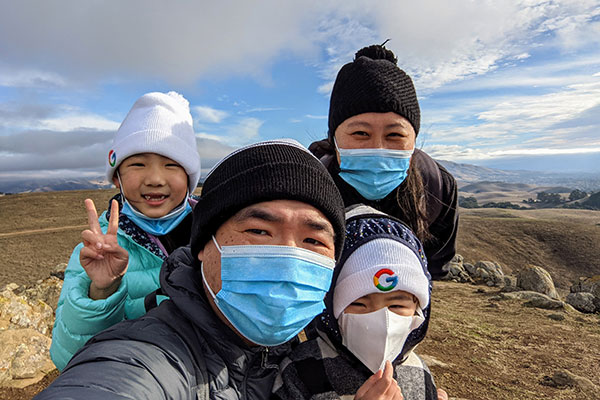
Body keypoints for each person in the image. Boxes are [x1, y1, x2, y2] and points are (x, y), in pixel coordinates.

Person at [35, 139, 346, 400]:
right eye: (259, 231)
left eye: (312, 240)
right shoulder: (155, 356)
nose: (288, 258)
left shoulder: (317, 350)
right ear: (203, 246)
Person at [49, 91, 201, 370]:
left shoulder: (220, 233)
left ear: (190, 178)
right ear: (117, 179)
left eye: (171, 165)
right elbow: (67, 357)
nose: (155, 179)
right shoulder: (95, 252)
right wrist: (102, 290)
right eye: (138, 164)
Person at [309, 43, 458, 280]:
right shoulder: (308, 183)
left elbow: (434, 269)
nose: (377, 148)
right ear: (334, 138)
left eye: (395, 135)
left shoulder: (437, 188)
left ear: (413, 141)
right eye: (360, 134)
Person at [273, 205, 439, 399]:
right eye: (359, 304)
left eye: (397, 306)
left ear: (419, 311)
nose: (382, 321)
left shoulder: (419, 371)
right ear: (332, 309)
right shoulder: (300, 369)